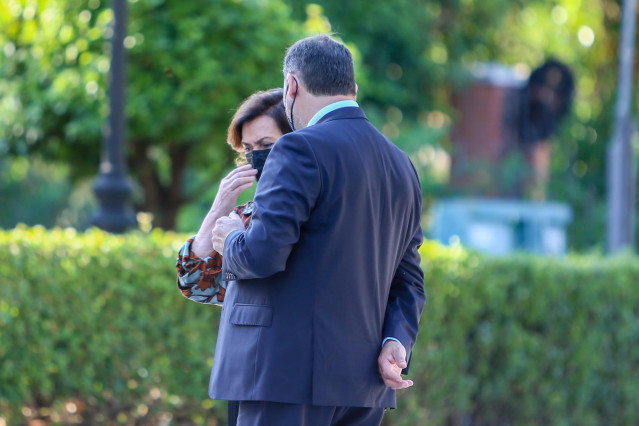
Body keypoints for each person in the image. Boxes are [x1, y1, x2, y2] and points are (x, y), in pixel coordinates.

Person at [210, 35, 425, 426]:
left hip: (284, 378)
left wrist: (230, 238)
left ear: (291, 86)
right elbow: (409, 279)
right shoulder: (402, 165)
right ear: (353, 90)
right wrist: (396, 341)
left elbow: (260, 255)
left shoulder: (297, 149)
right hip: (364, 386)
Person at [175, 88, 292, 425]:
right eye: (249, 149)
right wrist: (219, 207)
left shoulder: (313, 207)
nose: (257, 157)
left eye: (267, 146)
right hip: (248, 371)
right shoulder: (242, 216)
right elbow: (194, 282)